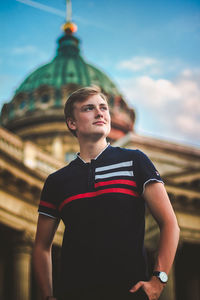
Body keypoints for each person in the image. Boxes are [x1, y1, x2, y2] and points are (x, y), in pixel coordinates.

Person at [33, 86, 180, 300]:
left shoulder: (135, 161)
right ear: (72, 123)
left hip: (130, 293)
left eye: (103, 108)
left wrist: (159, 280)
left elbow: (169, 223)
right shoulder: (57, 181)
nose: (100, 112)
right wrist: (47, 296)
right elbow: (41, 246)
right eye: (89, 108)